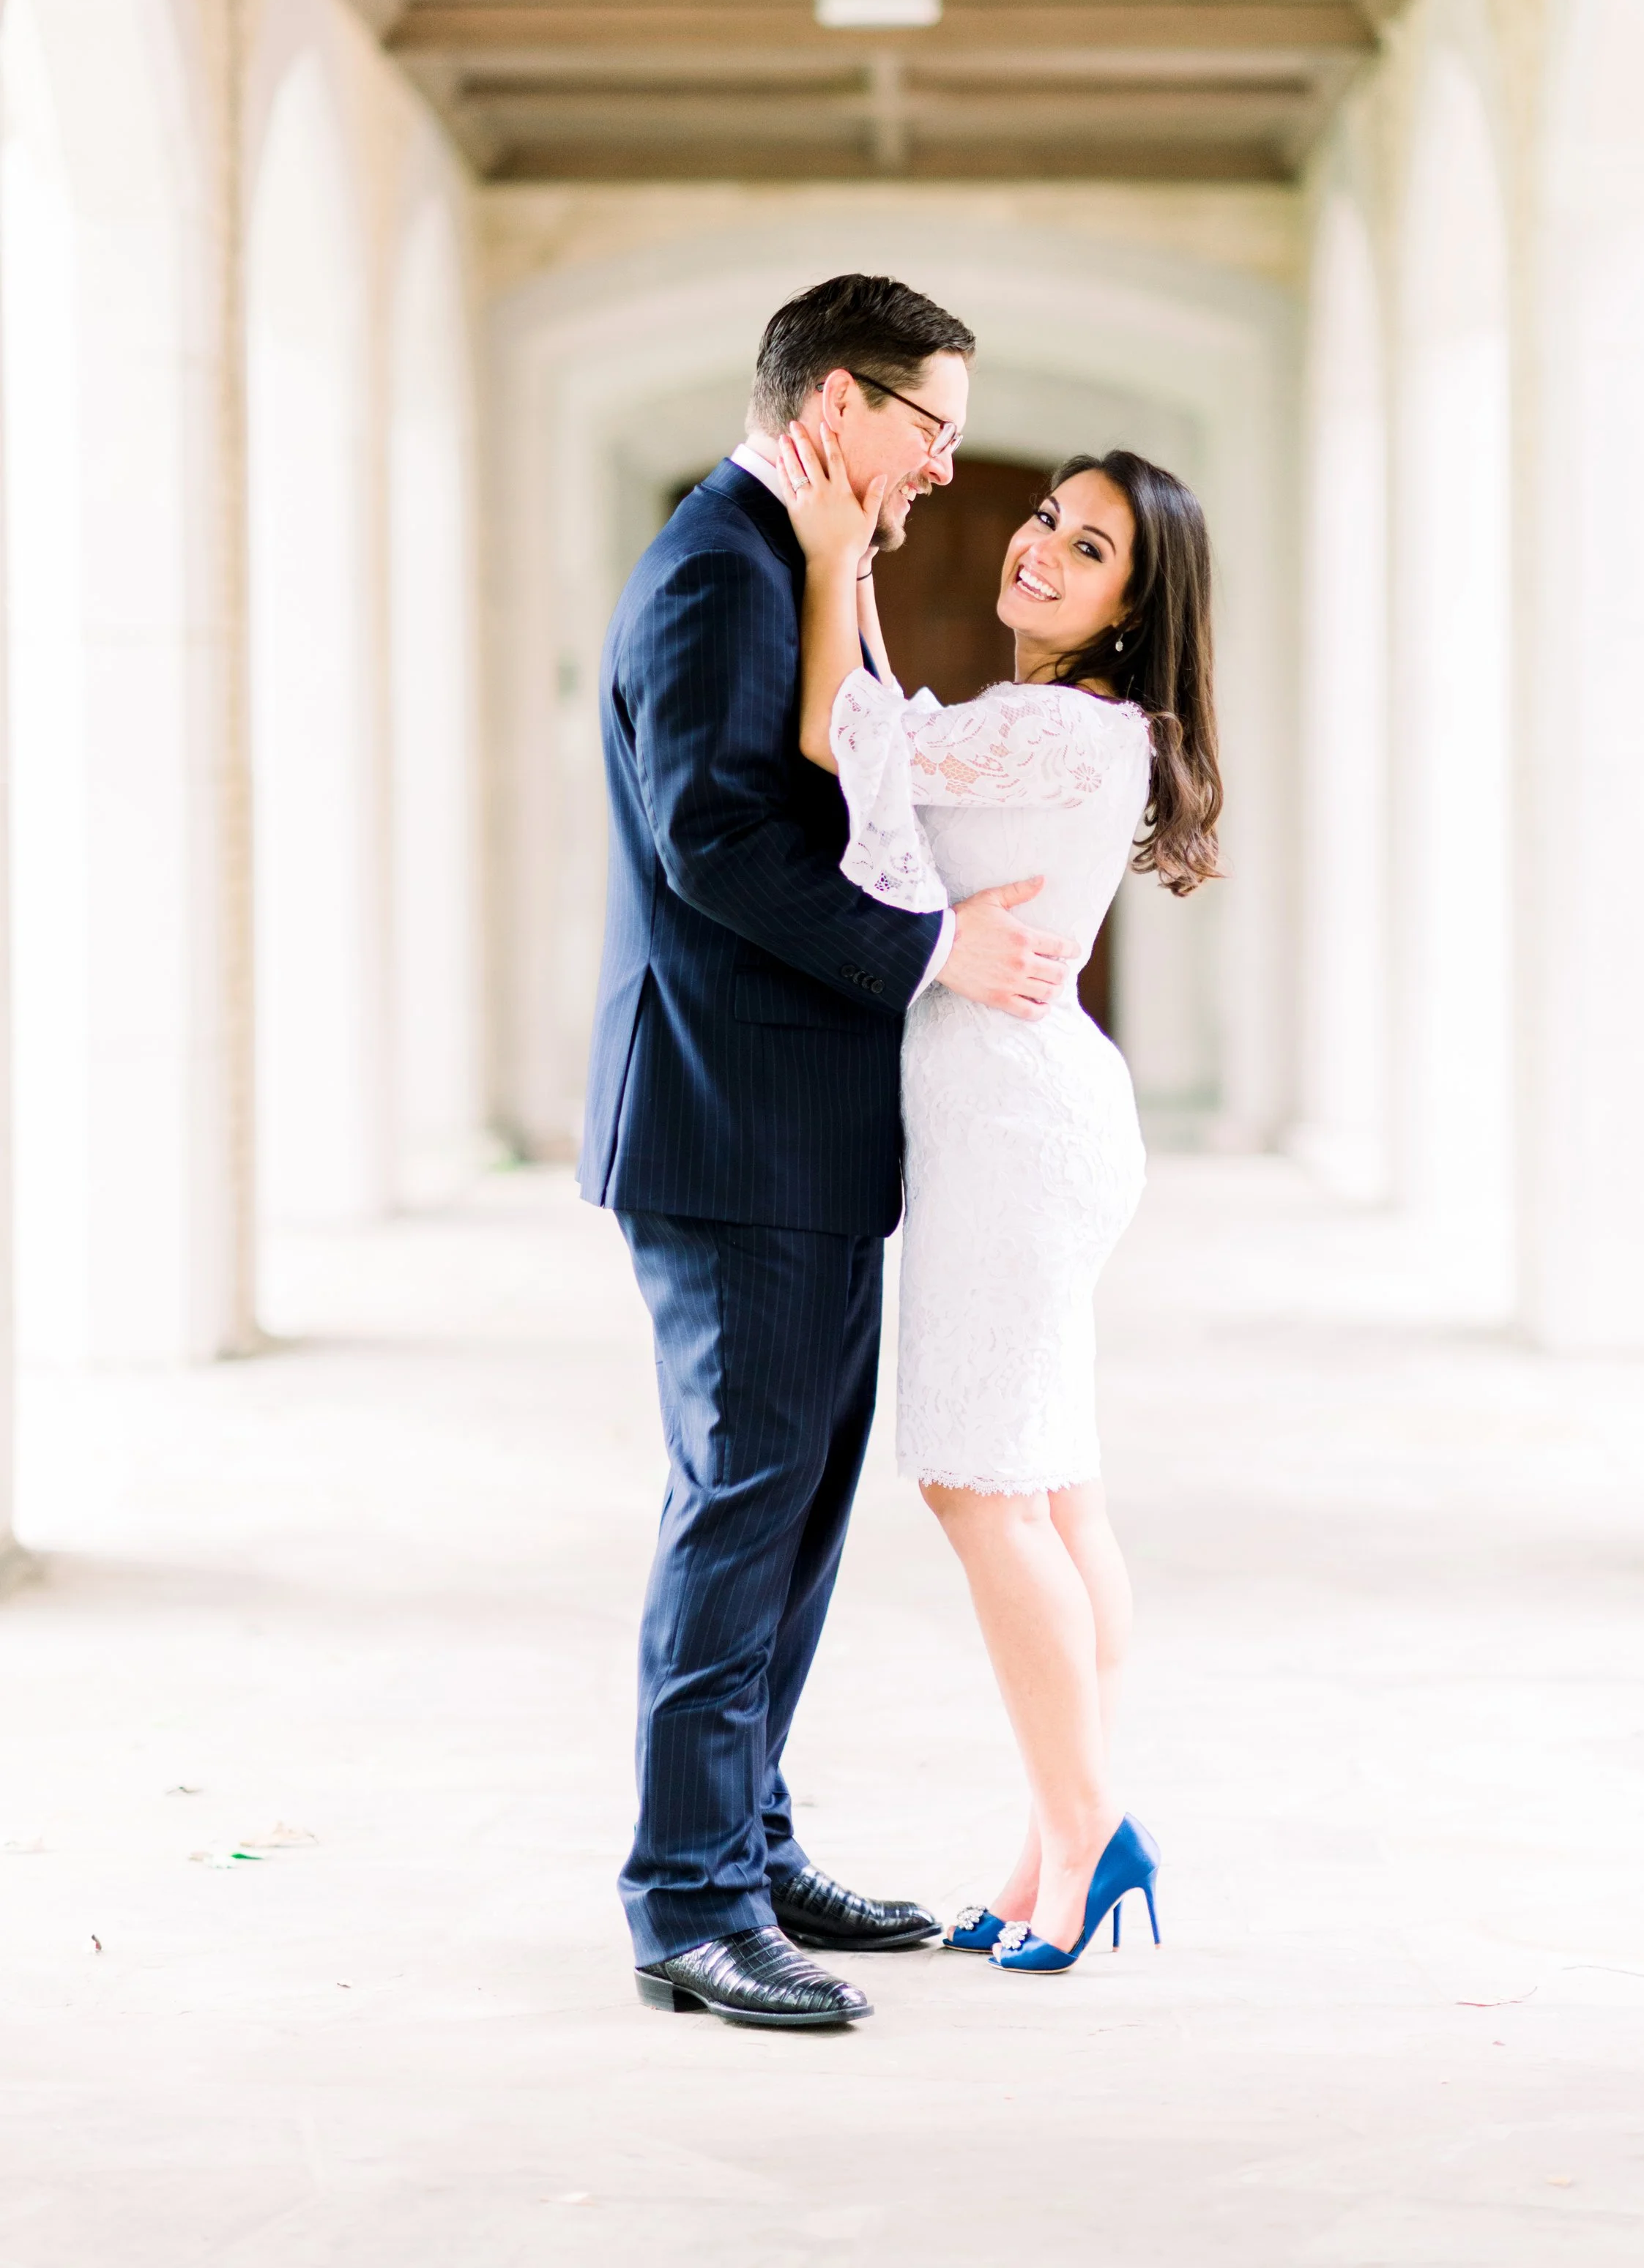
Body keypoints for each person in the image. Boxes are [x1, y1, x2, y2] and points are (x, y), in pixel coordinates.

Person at [579, 275, 1079, 2030]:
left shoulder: (787, 551)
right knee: (739, 1510)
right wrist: (941, 948)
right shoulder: (717, 565)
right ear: (839, 401)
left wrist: (847, 563)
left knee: (784, 1515)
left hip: (795, 1126)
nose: (943, 465)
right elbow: (714, 842)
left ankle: (748, 1843)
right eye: (929, 426)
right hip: (734, 1121)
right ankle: (688, 1901)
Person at [779, 421, 1224, 1973]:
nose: (1038, 546)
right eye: (1044, 517)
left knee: (978, 1485)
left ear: (1127, 607)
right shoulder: (1052, 721)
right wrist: (869, 576)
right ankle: (1052, 1854)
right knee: (1050, 1492)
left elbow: (855, 748)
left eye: (1086, 548)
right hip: (1028, 1110)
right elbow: (898, 732)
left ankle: (1092, 1830)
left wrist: (839, 554)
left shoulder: (1068, 731)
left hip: (1010, 1127)